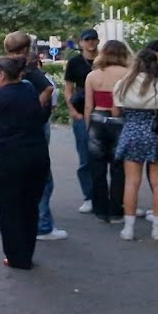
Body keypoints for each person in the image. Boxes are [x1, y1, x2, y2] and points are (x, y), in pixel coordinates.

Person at [0, 56, 49, 269]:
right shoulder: (27, 90)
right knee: (30, 206)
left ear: (1, 75)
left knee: (8, 206)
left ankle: (16, 257)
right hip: (37, 154)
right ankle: (26, 252)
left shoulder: (0, 96)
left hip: (10, 157)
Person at [112, 40, 158, 241]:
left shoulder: (122, 84)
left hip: (131, 132)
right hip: (155, 133)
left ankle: (128, 229)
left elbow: (116, 112)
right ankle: (157, 229)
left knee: (131, 182)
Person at [84, 40, 130, 224]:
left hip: (97, 119)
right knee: (119, 168)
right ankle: (116, 210)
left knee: (97, 166)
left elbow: (88, 105)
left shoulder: (93, 75)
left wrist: (88, 127)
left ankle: (100, 209)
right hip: (120, 121)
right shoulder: (128, 75)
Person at [65, 29, 99, 212]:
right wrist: (73, 112)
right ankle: (89, 196)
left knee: (109, 158)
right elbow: (68, 89)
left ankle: (107, 196)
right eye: (87, 40)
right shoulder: (75, 62)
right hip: (80, 112)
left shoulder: (105, 60)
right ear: (81, 42)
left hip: (103, 113)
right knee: (85, 157)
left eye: (93, 39)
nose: (91, 43)